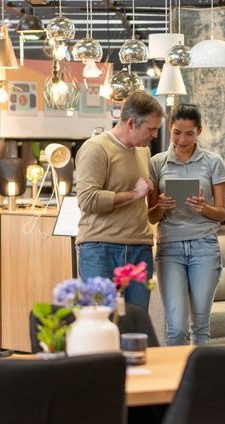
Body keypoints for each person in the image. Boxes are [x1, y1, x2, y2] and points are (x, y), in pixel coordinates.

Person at [75, 91, 164, 311]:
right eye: (150, 129)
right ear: (131, 123)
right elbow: (87, 199)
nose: (154, 135)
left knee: (137, 322)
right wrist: (134, 194)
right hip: (100, 248)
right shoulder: (96, 148)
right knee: (99, 320)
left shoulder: (143, 151)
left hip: (139, 248)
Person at [148, 104, 225, 345]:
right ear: (169, 129)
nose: (182, 139)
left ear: (199, 131)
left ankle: (201, 382)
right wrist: (161, 205)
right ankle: (176, 381)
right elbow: (151, 217)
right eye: (176, 132)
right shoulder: (157, 163)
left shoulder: (213, 162)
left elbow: (222, 213)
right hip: (169, 247)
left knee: (200, 326)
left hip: (204, 246)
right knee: (176, 327)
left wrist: (204, 208)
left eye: (189, 133)